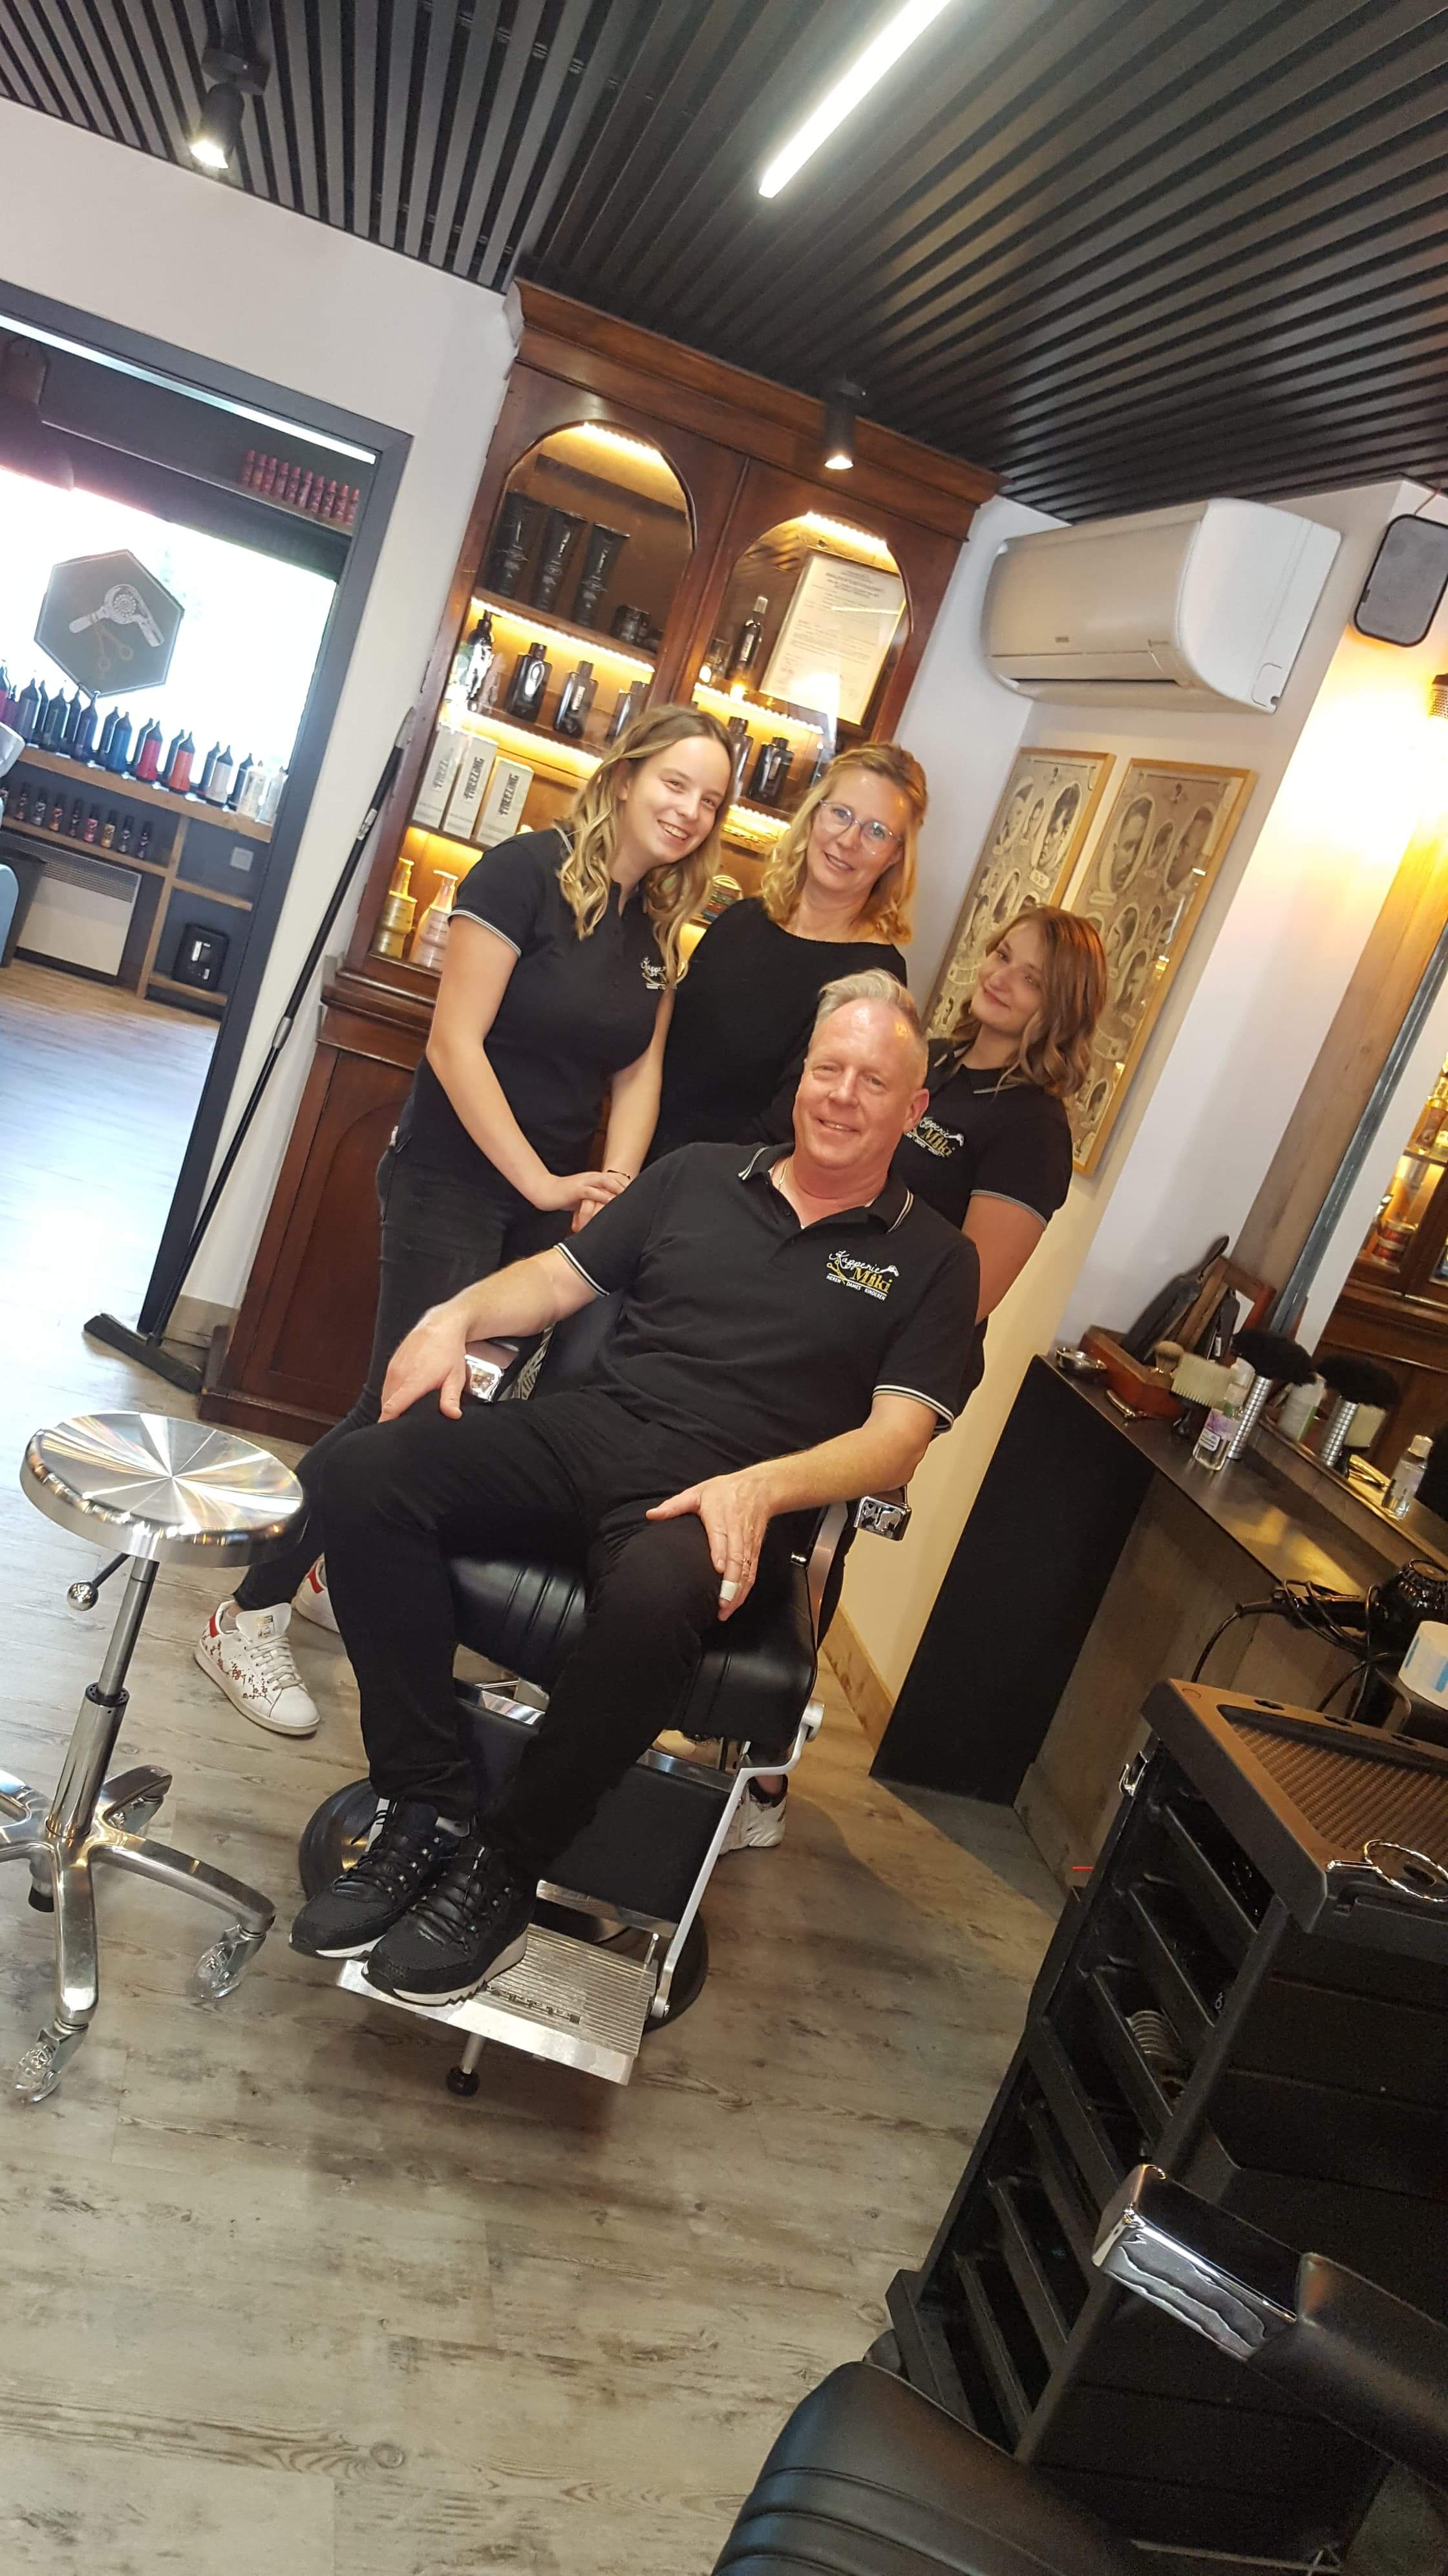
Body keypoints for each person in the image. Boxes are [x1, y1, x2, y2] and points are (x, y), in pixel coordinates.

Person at [290, 973, 977, 2005]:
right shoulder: (696, 1175)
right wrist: (452, 1317)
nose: (841, 1096)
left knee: (656, 1599)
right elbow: (556, 1280)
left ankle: (503, 1865)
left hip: (723, 1494)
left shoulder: (934, 1260)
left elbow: (897, 1442)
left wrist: (762, 1489)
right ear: (800, 1078)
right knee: (364, 1472)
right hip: (590, 1434)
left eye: (872, 1082)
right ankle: (424, 1804)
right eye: (827, 1069)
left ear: (913, 1109)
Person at [195, 704, 734, 1739]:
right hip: (453, 1177)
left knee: (458, 1408)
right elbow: (454, 1042)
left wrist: (612, 1189)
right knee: (398, 1398)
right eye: (676, 784)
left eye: (710, 801)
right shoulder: (520, 873)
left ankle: (329, 1567)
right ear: (626, 776)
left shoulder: (656, 927)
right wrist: (543, 1181)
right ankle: (245, 1612)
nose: (689, 811)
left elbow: (639, 1070)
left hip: (551, 1203)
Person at [644, 742, 924, 1162]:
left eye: (877, 832)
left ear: (895, 856)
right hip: (638, 1155)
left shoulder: (874, 979)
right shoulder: (742, 918)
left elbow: (792, 1125)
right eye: (841, 814)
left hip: (727, 1184)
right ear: (814, 814)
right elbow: (664, 1049)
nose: (849, 840)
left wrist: (683, 1178)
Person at [898, 907, 1106, 1315]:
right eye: (1003, 956)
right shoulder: (930, 1058)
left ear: (1062, 1010)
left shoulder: (1035, 1132)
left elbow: (965, 1302)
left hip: (899, 1339)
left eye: (1031, 980)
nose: (999, 978)